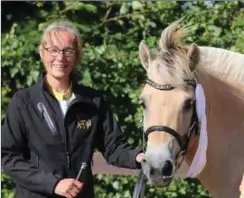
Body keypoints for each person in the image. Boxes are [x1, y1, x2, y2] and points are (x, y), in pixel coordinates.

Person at [1, 20, 144, 198]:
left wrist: (138, 157)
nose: (60, 58)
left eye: (68, 51)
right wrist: (53, 184)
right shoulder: (23, 102)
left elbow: (113, 147)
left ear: (76, 55)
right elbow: (9, 158)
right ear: (42, 52)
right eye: (53, 50)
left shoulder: (93, 101)